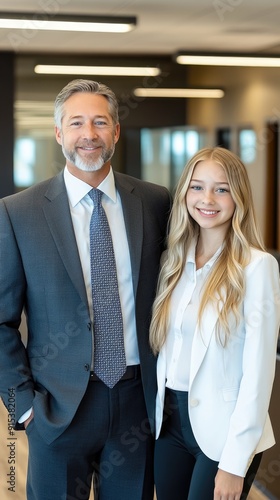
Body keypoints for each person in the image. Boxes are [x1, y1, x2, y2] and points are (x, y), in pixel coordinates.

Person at [0, 79, 171, 500]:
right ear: (59, 134)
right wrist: (22, 405)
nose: (88, 134)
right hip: (58, 409)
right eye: (76, 123)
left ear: (115, 131)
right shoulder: (19, 212)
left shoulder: (154, 202)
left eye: (99, 122)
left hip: (138, 402)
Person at [149, 147, 280, 500]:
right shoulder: (172, 261)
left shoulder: (257, 267)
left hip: (225, 432)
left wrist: (235, 463)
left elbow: (258, 373)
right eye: (197, 187)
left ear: (238, 196)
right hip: (170, 425)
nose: (207, 199)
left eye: (221, 189)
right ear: (184, 194)